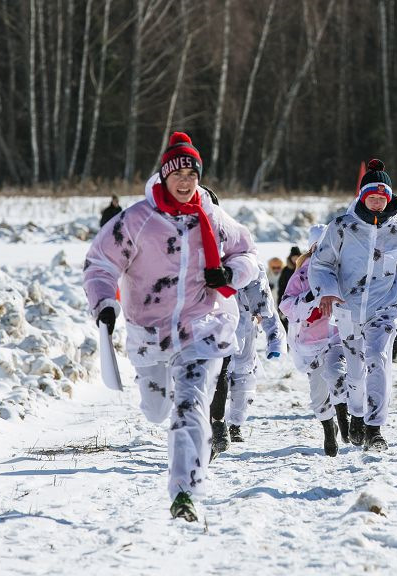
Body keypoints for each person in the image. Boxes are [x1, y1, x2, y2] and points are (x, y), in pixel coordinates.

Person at [83, 132, 258, 521]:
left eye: (191, 173)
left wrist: (229, 272)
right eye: (176, 173)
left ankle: (185, 493)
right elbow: (100, 264)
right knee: (156, 409)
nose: (184, 180)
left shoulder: (211, 216)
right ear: (163, 176)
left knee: (190, 405)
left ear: (198, 176)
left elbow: (247, 252)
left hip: (203, 327)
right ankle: (155, 400)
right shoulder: (137, 220)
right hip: (149, 333)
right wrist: (105, 303)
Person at [309, 158, 397, 451]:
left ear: (389, 199)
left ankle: (375, 428)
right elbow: (321, 263)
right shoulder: (342, 227)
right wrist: (326, 291)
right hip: (348, 309)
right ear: (362, 197)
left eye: (382, 198)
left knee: (377, 357)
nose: (376, 203)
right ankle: (358, 417)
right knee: (354, 369)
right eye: (371, 197)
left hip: (385, 308)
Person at [279, 224, 350, 456]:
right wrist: (309, 297)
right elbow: (286, 306)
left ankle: (344, 414)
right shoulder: (301, 274)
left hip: (338, 338)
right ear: (312, 247)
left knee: (337, 374)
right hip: (311, 343)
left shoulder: (345, 270)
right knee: (319, 395)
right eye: (320, 247)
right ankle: (329, 430)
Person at [209, 262, 285, 455]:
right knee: (217, 381)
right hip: (219, 333)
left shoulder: (254, 272)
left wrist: (275, 340)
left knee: (244, 384)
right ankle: (218, 422)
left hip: (246, 335)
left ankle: (235, 424)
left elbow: (268, 309)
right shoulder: (215, 268)